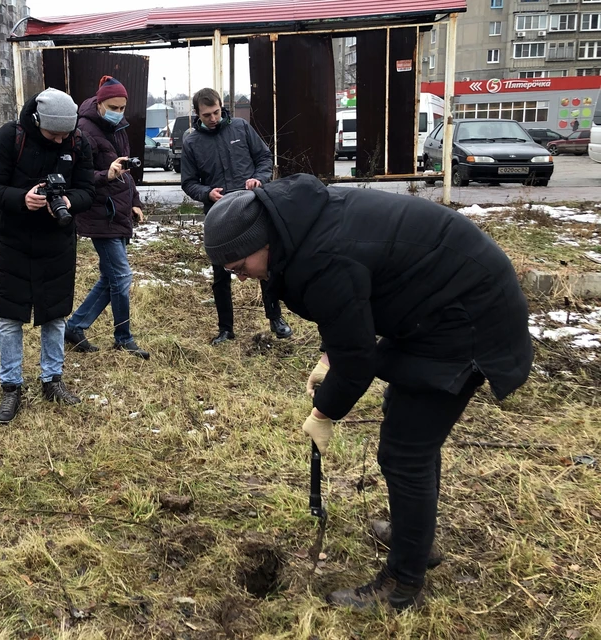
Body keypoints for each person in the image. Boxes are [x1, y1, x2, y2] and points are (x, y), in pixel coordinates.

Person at [203, 175, 532, 611]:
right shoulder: (299, 226)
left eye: (241, 266)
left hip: (467, 316)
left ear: (263, 239)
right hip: (433, 304)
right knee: (407, 423)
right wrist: (328, 359)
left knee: (406, 449)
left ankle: (402, 583)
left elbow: (358, 357)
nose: (241, 278)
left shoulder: (321, 256)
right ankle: (415, 536)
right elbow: (350, 308)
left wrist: (324, 413)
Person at [0, 88, 95, 424]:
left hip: (57, 241)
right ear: (36, 121)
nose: (60, 141)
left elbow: (88, 190)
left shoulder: (78, 142)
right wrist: (22, 199)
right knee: (11, 317)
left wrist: (70, 202)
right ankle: (11, 387)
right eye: (53, 133)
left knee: (55, 314)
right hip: (13, 240)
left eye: (66, 134)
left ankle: (52, 380)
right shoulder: (9, 138)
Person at [181, 87, 293, 346]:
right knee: (220, 273)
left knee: (265, 265)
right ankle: (226, 329)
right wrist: (207, 193)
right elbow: (188, 182)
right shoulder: (191, 142)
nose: (213, 118)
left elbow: (265, 158)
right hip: (218, 215)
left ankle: (275, 318)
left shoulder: (241, 128)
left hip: (253, 209)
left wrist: (260, 178)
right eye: (207, 114)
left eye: (217, 112)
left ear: (223, 107)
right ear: (197, 114)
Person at [64, 76, 149, 360]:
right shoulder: (83, 131)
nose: (119, 111)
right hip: (100, 212)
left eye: (123, 107)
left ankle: (75, 326)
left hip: (119, 210)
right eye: (113, 106)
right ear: (99, 104)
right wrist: (106, 174)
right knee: (121, 276)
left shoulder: (119, 127)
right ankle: (123, 337)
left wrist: (134, 202)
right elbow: (76, 177)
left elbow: (126, 169)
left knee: (111, 276)